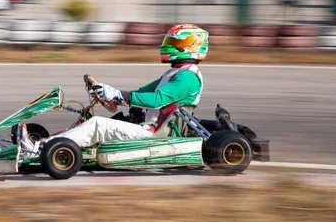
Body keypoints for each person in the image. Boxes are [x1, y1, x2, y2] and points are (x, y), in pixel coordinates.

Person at [18, 24, 209, 154]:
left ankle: (39, 148)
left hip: (155, 134)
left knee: (98, 125)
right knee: (92, 121)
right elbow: (143, 92)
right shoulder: (175, 73)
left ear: (192, 47)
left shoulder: (188, 77)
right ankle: (45, 142)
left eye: (176, 44)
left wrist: (117, 94)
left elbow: (157, 100)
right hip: (149, 128)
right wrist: (109, 93)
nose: (169, 47)